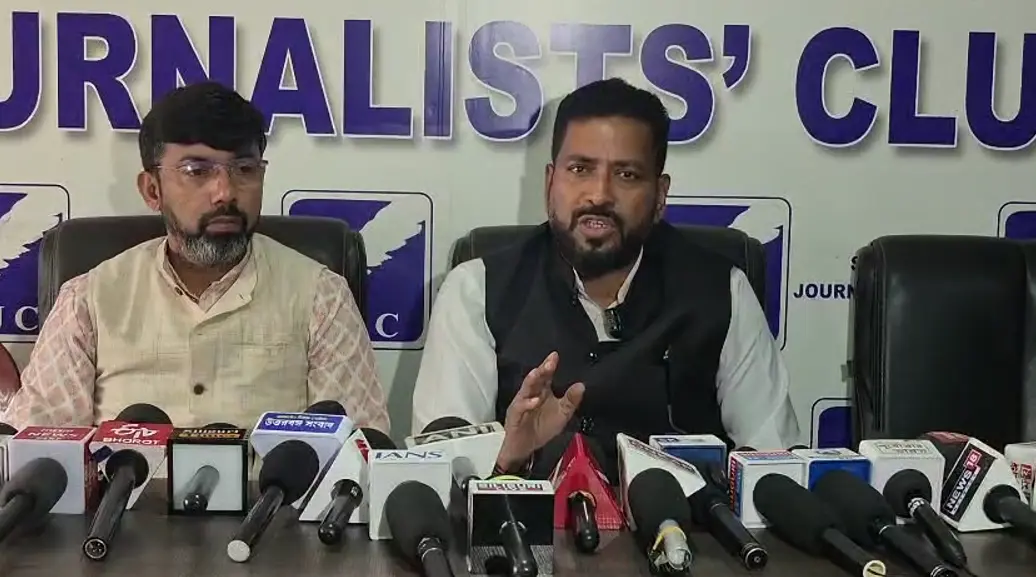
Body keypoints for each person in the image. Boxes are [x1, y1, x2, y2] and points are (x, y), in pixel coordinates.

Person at [411, 78, 798, 474]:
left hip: (684, 514)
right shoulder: (477, 289)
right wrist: (508, 457)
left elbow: (772, 466)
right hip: (524, 514)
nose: (599, 194)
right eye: (580, 169)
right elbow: (443, 472)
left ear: (660, 195)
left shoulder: (722, 291)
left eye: (627, 175)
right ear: (550, 183)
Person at [1, 82, 390, 432]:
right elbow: (35, 448)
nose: (225, 192)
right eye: (196, 171)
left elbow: (358, 451)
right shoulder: (89, 300)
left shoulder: (321, 296)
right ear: (152, 190)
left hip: (271, 492)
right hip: (123, 492)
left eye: (244, 169)